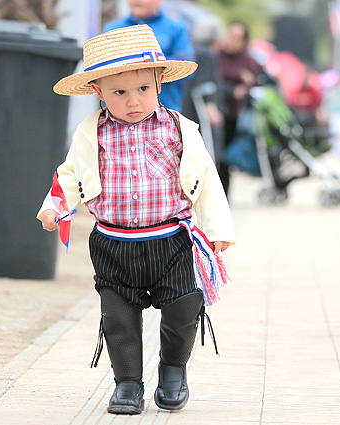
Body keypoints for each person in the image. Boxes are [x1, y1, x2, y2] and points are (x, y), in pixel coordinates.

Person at [36, 25, 235, 415]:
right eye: (119, 93)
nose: (132, 101)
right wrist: (54, 207)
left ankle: (173, 368)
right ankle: (127, 383)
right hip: (114, 243)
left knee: (185, 304)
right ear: (98, 91)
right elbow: (70, 174)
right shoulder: (90, 131)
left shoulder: (179, 127)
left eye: (142, 89)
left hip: (173, 240)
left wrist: (217, 229)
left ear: (159, 82)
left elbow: (206, 176)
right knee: (118, 318)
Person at [104, 0, 195, 112]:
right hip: (120, 113)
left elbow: (187, 68)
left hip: (164, 110)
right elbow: (103, 71)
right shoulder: (113, 29)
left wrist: (149, 65)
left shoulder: (176, 28)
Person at [218, 21, 261, 196]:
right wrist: (233, 91)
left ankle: (225, 196)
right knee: (217, 158)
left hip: (237, 117)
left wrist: (249, 82)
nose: (232, 40)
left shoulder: (248, 60)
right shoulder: (217, 57)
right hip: (218, 112)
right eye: (231, 35)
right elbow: (215, 82)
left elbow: (259, 82)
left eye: (237, 37)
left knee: (227, 159)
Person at [182, 16, 226, 167]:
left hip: (188, 107)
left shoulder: (194, 51)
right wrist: (211, 108)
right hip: (199, 113)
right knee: (207, 150)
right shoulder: (207, 54)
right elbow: (204, 85)